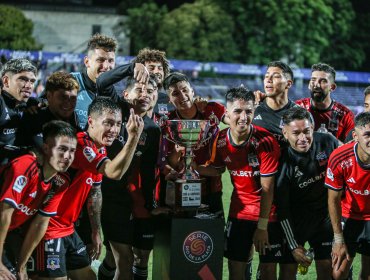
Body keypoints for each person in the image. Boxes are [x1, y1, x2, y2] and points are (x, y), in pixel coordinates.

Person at [30, 97, 144, 280]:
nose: (114, 130)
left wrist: (95, 231)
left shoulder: (101, 149)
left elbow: (95, 192)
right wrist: (134, 138)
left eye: (117, 124)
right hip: (48, 229)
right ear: (90, 121)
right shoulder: (81, 145)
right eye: (107, 123)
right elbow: (114, 172)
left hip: (68, 228)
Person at [195, 86, 280, 280]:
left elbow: (268, 188)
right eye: (238, 111)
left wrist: (262, 226)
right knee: (235, 268)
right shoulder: (221, 138)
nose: (243, 117)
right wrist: (191, 165)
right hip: (239, 212)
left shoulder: (265, 141)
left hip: (267, 214)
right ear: (227, 113)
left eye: (249, 111)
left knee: (267, 270)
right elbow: (217, 169)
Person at [97, 67, 160, 279]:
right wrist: (132, 67)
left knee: (116, 258)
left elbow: (148, 171)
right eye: (140, 90)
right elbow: (102, 82)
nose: (146, 95)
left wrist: (151, 205)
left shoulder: (151, 129)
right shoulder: (117, 110)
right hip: (106, 196)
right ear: (126, 94)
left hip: (130, 200)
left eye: (150, 91)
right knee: (124, 259)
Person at [0, 120, 77, 280]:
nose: (67, 156)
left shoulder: (60, 182)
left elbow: (40, 223)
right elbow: (4, 214)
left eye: (72, 151)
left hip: (10, 233)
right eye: (62, 149)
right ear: (46, 148)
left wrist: (22, 266)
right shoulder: (26, 165)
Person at [275, 107, 339, 279]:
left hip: (324, 219)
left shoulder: (328, 141)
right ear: (285, 133)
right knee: (287, 273)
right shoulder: (283, 162)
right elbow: (283, 208)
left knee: (327, 271)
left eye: (307, 131)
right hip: (297, 222)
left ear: (313, 127)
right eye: (296, 133)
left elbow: (347, 161)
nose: (303, 138)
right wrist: (293, 244)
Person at [161, 72, 227, 216]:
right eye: (175, 93)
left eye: (185, 90)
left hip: (212, 187)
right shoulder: (169, 122)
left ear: (192, 91)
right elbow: (171, 162)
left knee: (212, 235)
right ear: (169, 99)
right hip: (182, 188)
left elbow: (233, 121)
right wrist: (178, 153)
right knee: (185, 233)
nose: (182, 96)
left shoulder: (211, 109)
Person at [326, 112, 370, 280]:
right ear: (355, 136)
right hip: (348, 216)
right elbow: (333, 199)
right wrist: (338, 239)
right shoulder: (339, 157)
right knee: (337, 273)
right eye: (367, 135)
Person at [16, 71, 80, 154]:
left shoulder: (74, 118)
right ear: (49, 96)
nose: (68, 102)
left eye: (73, 98)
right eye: (63, 97)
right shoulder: (33, 118)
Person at [296, 63, 355, 143]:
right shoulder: (297, 108)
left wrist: (332, 140)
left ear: (332, 87)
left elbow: (351, 147)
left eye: (323, 81)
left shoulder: (345, 115)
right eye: (313, 80)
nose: (316, 85)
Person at [73, 33, 117, 130]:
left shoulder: (114, 94)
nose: (106, 66)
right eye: (100, 60)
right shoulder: (71, 81)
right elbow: (42, 103)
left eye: (110, 61)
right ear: (87, 62)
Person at [0, 58, 37, 164]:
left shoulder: (30, 106)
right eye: (23, 79)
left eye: (32, 81)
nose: (29, 86)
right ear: (6, 81)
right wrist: (22, 152)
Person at [253, 61, 297, 148]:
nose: (268, 80)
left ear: (288, 84)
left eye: (276, 76)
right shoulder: (252, 108)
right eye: (266, 76)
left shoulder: (298, 114)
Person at [132, 48, 174, 118]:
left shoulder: (169, 100)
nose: (157, 71)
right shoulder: (132, 98)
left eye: (160, 68)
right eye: (151, 68)